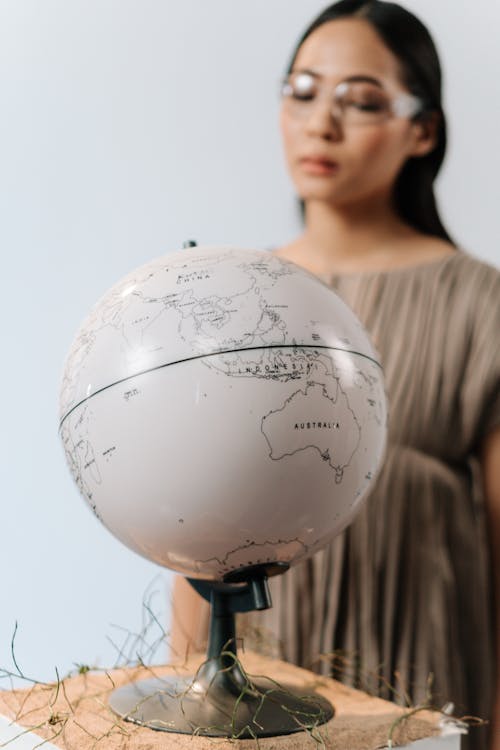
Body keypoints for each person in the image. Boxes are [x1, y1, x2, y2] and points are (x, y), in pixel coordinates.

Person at [171, 2, 500, 748]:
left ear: (424, 130)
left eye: (361, 101)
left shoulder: (483, 303)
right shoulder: (225, 296)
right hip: (255, 672)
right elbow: (190, 518)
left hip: (420, 672)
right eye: (304, 90)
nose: (322, 122)